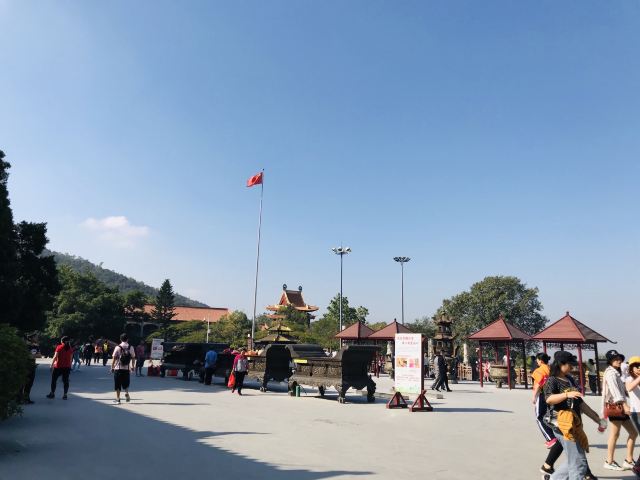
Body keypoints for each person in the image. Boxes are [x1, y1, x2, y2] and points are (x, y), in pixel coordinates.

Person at [544, 351, 604, 480]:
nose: (572, 367)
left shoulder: (570, 380)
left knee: (574, 460)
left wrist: (597, 419)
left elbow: (580, 403)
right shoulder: (552, 380)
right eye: (570, 364)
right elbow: (549, 399)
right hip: (562, 425)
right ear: (561, 364)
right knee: (579, 462)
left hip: (574, 425)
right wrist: (566, 394)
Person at [602, 349, 637, 471]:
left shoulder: (616, 372)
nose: (618, 360)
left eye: (619, 358)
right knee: (615, 434)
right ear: (610, 361)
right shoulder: (610, 373)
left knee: (633, 433)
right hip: (615, 406)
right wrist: (625, 405)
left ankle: (628, 460)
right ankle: (609, 461)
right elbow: (615, 391)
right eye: (615, 359)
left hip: (619, 406)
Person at [532, 353, 563, 476]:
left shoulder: (539, 370)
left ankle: (551, 438)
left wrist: (534, 396)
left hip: (542, 394)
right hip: (552, 395)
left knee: (539, 417)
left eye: (537, 360)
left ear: (540, 360)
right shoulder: (551, 368)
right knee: (549, 416)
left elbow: (538, 384)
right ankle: (555, 436)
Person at [623, 355, 640, 476]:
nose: (639, 368)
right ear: (631, 368)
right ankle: (637, 466)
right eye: (636, 366)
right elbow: (629, 388)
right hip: (636, 413)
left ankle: (638, 466)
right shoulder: (629, 379)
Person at [111, 334, 136, 404]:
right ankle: (126, 393)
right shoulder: (131, 347)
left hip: (118, 368)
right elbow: (133, 357)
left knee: (117, 384)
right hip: (127, 369)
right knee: (126, 383)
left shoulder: (117, 347)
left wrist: (112, 367)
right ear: (127, 339)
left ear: (120, 339)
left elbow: (114, 358)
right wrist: (133, 366)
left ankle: (118, 399)